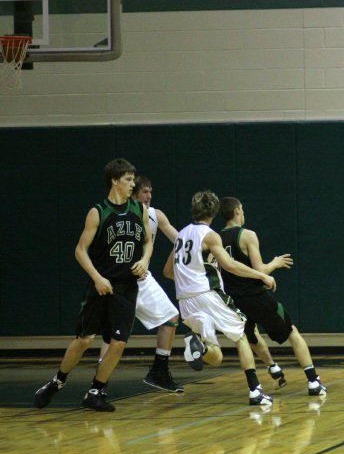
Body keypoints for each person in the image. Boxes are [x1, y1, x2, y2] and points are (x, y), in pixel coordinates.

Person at [33, 158, 153, 412]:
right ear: (114, 181)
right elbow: (80, 250)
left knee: (119, 342)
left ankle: (96, 390)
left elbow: (148, 241)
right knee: (85, 340)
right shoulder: (98, 211)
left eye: (134, 179)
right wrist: (97, 278)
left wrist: (144, 260)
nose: (133, 183)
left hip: (126, 286)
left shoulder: (139, 209)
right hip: (101, 285)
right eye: (128, 179)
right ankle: (57, 382)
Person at [163, 190, 277, 406]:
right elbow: (231, 266)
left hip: (185, 301)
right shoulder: (210, 236)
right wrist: (262, 274)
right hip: (207, 294)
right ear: (214, 212)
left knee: (216, 356)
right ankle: (255, 391)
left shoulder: (180, 236)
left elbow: (168, 271)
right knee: (242, 334)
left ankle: (200, 348)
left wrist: (189, 277)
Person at [218, 197, 326, 396]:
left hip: (235, 301)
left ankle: (272, 368)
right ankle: (313, 381)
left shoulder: (215, 238)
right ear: (237, 212)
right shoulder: (247, 235)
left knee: (249, 337)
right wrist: (275, 263)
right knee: (292, 332)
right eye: (242, 209)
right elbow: (260, 270)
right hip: (256, 296)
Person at [99, 176, 183, 392]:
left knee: (171, 316)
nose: (149, 196)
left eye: (150, 191)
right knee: (112, 335)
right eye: (144, 192)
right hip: (117, 280)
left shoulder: (155, 215)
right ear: (133, 194)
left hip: (143, 279)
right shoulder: (118, 214)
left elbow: (181, 240)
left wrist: (174, 262)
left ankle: (159, 371)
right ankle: (99, 382)